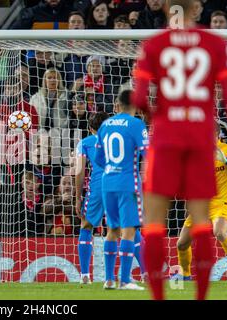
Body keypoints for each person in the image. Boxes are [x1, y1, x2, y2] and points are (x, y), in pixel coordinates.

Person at [131, 0, 227, 300]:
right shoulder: (213, 43)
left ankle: (158, 297)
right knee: (201, 225)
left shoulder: (155, 45)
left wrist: (162, 115)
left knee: (155, 225)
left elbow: (140, 98)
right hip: (198, 139)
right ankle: (201, 297)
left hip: (167, 139)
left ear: (167, 8)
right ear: (197, 9)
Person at [177, 124, 227, 281]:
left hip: (223, 202)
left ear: (216, 134)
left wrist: (226, 161)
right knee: (181, 244)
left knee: (219, 232)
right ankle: (186, 276)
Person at [94, 89, 148, 291]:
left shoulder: (105, 125)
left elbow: (99, 159)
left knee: (112, 230)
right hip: (128, 183)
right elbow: (148, 153)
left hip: (107, 183)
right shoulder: (136, 124)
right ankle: (125, 280)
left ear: (117, 104)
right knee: (128, 231)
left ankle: (108, 279)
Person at [74, 111, 108, 284]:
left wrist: (78, 197)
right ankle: (147, 274)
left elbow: (79, 171)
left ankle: (85, 275)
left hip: (98, 187)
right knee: (130, 228)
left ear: (90, 127)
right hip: (122, 184)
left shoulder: (85, 143)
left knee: (86, 226)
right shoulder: (118, 139)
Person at [10, 0, 74, 29]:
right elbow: (13, 32)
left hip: (68, 55)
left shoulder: (73, 13)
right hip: (38, 55)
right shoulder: (31, 12)